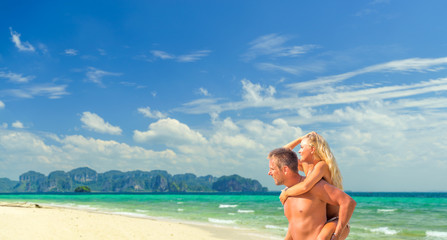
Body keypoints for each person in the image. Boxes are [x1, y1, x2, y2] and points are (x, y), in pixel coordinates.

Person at [268, 147, 356, 240]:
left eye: (272, 169)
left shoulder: (315, 187)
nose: (269, 173)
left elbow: (348, 202)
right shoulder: (287, 193)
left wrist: (337, 234)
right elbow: (295, 224)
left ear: (285, 169)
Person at [279, 132, 345, 239]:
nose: (299, 151)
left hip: (333, 221)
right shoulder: (305, 165)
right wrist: (300, 139)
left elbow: (305, 186)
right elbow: (281, 155)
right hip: (318, 220)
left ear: (312, 150)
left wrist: (286, 193)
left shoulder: (322, 166)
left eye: (301, 147)